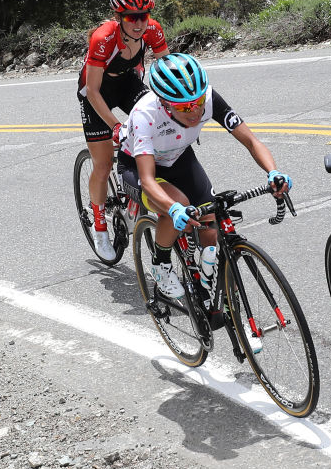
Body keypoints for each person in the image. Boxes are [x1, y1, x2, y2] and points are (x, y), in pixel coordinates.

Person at [118, 53, 291, 302]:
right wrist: (174, 209)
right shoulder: (145, 114)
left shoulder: (208, 98)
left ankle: (201, 279)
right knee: (177, 206)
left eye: (198, 102)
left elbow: (251, 141)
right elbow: (147, 179)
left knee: (210, 225)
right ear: (165, 104)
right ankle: (161, 262)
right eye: (185, 107)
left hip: (178, 158)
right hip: (136, 167)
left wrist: (273, 171)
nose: (195, 111)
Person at [78, 0, 170, 259]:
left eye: (144, 15)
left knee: (158, 123)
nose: (140, 23)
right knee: (104, 164)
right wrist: (116, 126)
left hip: (127, 83)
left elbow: (169, 70)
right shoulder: (104, 37)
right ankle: (99, 226)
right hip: (96, 93)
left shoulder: (152, 30)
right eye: (132, 17)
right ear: (119, 17)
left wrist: (176, 112)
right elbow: (92, 90)